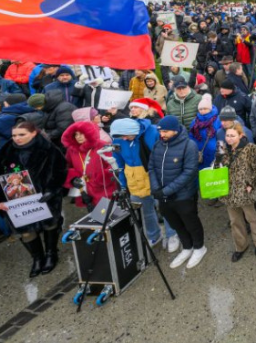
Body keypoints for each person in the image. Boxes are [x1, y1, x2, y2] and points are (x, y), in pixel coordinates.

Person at [0, 122, 67, 277]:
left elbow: (60, 170)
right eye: (14, 135)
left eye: (22, 134)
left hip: (44, 197)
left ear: (34, 133)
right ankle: (37, 258)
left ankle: (51, 253)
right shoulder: (5, 152)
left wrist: (51, 190)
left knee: (50, 225)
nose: (17, 138)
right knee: (25, 231)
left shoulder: (48, 149)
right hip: (17, 202)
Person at [149, 116, 207, 270]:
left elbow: (189, 172)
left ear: (175, 130)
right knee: (176, 224)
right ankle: (187, 247)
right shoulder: (158, 146)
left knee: (191, 222)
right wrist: (156, 189)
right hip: (164, 196)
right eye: (161, 131)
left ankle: (199, 247)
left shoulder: (189, 146)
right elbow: (152, 167)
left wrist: (167, 190)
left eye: (165, 131)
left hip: (183, 196)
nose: (162, 135)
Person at [110, 118, 171, 249]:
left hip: (155, 175)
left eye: (126, 135)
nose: (124, 139)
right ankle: (154, 235)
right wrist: (122, 185)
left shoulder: (153, 132)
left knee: (165, 207)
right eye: (121, 137)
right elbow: (119, 164)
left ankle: (172, 235)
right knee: (146, 210)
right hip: (135, 180)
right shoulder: (118, 139)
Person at [219, 124, 256, 262]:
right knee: (235, 221)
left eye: (232, 135)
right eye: (227, 135)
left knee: (252, 218)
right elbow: (217, 168)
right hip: (228, 192)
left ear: (241, 135)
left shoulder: (250, 148)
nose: (229, 139)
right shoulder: (222, 149)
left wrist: (251, 184)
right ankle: (240, 246)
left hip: (244, 191)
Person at [62, 121, 115, 209]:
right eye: (76, 134)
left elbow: (113, 164)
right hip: (85, 191)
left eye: (81, 134)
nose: (78, 137)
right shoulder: (72, 150)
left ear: (89, 133)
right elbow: (66, 167)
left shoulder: (103, 145)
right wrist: (73, 178)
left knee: (110, 217)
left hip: (104, 189)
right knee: (94, 217)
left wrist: (102, 178)